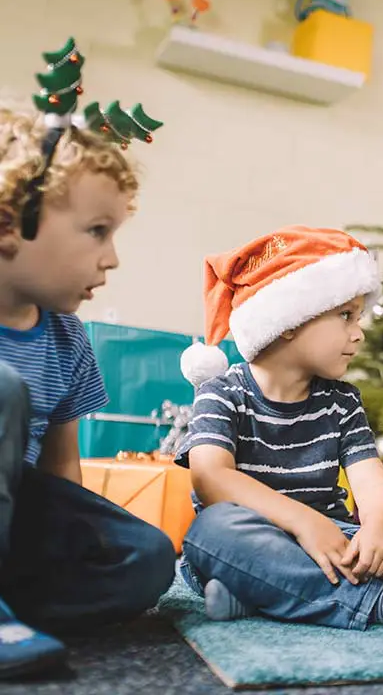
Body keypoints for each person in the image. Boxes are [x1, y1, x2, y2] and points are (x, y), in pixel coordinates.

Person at [175, 226, 383, 634]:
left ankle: (260, 595)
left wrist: (379, 529)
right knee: (210, 533)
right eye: (346, 315)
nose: (359, 332)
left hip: (333, 539)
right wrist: (303, 523)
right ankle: (377, 604)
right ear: (289, 320)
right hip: (256, 540)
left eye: (358, 317)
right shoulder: (222, 393)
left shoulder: (342, 401)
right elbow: (211, 478)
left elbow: (371, 481)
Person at [0, 37, 174, 677]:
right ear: (10, 223)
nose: (113, 258)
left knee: (147, 557)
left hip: (17, 520)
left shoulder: (68, 340)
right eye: (97, 232)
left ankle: (16, 612)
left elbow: (59, 475)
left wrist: (72, 547)